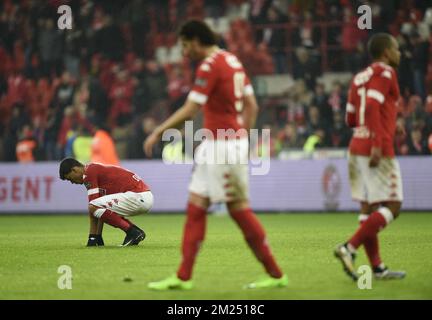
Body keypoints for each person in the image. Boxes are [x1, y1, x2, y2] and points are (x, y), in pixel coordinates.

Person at [144, 20, 287, 290]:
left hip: (222, 147)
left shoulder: (209, 65)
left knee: (238, 211)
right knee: (196, 207)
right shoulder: (232, 61)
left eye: (185, 45)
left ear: (196, 41)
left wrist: (158, 131)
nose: (184, 52)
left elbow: (190, 109)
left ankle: (276, 273)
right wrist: (243, 134)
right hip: (217, 145)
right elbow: (252, 105)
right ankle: (183, 277)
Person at [335, 33, 406, 280]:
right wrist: (378, 139)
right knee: (394, 206)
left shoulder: (358, 77)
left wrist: (390, 122)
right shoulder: (385, 73)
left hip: (356, 147)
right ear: (386, 52)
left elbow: (351, 118)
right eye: (396, 48)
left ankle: (377, 268)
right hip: (377, 149)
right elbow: (374, 106)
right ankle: (349, 247)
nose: (399, 53)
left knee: (368, 208)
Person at [59, 158, 152, 247]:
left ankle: (132, 232)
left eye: (70, 178)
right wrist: (98, 236)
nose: (72, 182)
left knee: (93, 206)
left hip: (137, 196)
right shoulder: (92, 169)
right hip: (142, 196)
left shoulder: (89, 173)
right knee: (99, 208)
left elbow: (93, 207)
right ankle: (134, 232)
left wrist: (92, 238)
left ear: (74, 170)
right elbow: (100, 211)